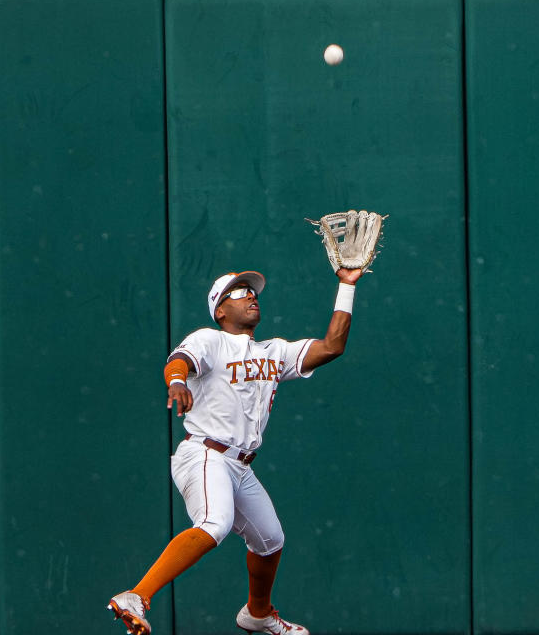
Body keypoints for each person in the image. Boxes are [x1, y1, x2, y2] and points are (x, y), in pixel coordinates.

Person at [107, 266, 364, 635]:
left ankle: (257, 613)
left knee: (270, 539)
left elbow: (332, 346)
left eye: (252, 291)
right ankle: (138, 595)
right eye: (240, 292)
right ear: (221, 310)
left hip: (240, 465)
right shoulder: (210, 340)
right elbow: (178, 361)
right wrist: (177, 381)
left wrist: (346, 286)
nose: (251, 296)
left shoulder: (274, 351)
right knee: (215, 524)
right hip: (205, 453)